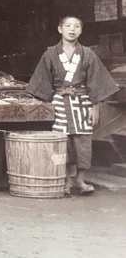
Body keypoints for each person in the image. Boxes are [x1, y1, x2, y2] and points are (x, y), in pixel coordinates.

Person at [26, 15, 118, 196]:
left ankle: (80, 180)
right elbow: (42, 81)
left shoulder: (88, 54)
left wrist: (96, 106)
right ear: (60, 29)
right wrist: (48, 102)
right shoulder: (50, 54)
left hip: (82, 102)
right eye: (68, 25)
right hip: (60, 101)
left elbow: (97, 81)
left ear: (81, 31)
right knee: (62, 141)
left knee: (83, 141)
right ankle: (66, 180)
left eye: (76, 26)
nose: (72, 29)